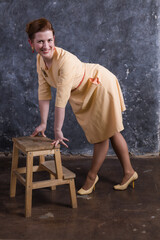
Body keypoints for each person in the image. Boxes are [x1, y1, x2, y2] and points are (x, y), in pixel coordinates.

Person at [26, 18, 138, 194]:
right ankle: (130, 172)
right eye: (40, 41)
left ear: (54, 38)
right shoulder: (40, 61)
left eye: (49, 40)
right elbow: (44, 92)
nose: (46, 46)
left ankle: (92, 177)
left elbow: (61, 99)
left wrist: (57, 130)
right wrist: (43, 123)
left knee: (102, 134)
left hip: (99, 85)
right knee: (111, 131)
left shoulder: (65, 61)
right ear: (31, 42)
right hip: (82, 93)